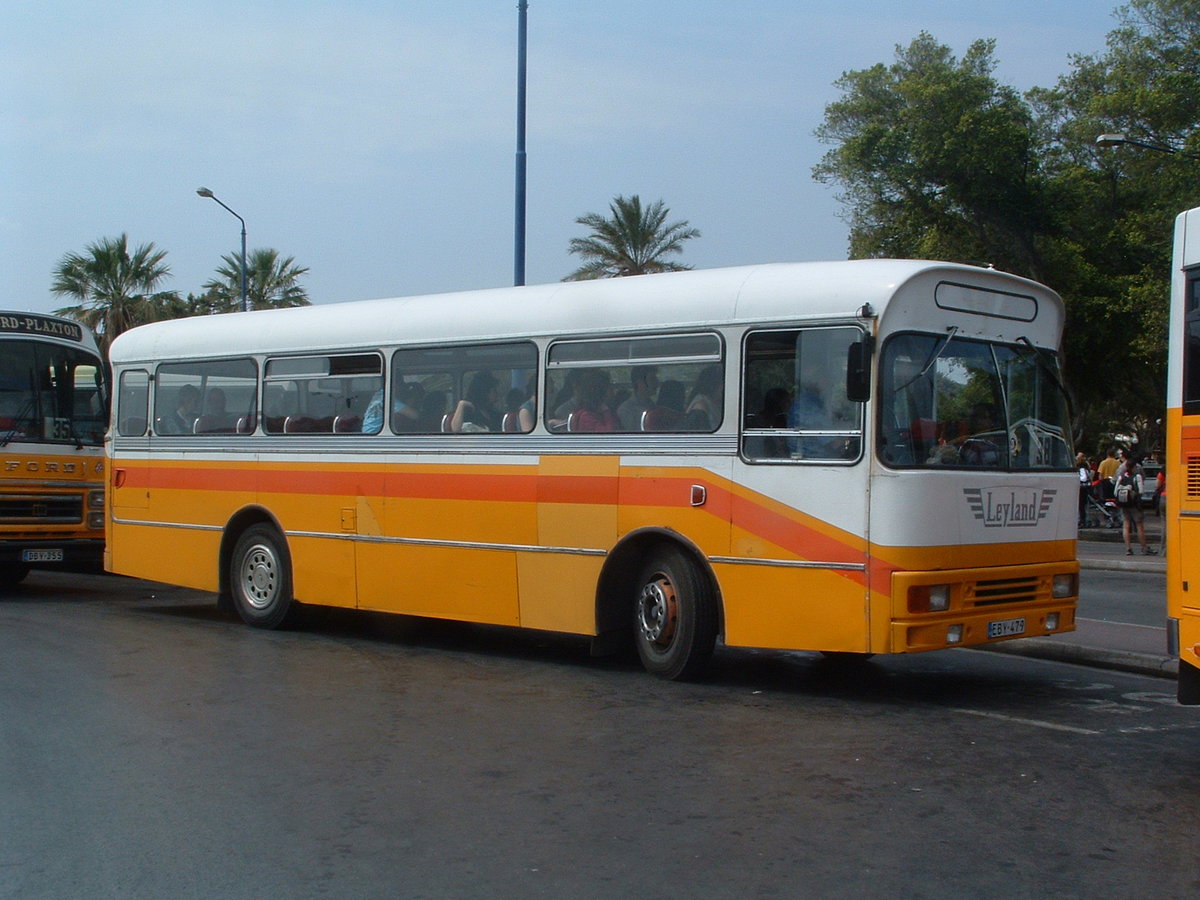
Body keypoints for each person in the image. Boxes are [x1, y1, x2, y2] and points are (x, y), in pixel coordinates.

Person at [1115, 450, 1155, 555]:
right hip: (1134, 504)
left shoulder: (1121, 475)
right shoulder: (1137, 474)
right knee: (1139, 525)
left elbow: (1115, 490)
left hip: (1123, 502)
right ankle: (1144, 547)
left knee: (1126, 525)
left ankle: (1128, 548)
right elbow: (1141, 490)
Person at [618, 366, 658, 431]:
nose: (656, 383)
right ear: (640, 383)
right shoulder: (626, 410)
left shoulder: (652, 405)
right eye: (652, 379)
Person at [1076, 452, 1092, 527]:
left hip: (1082, 488)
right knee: (1082, 505)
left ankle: (1082, 520)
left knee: (1081, 505)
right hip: (1084, 487)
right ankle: (1083, 519)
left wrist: (1077, 479)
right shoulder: (1086, 467)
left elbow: (1084, 478)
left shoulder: (1081, 468)